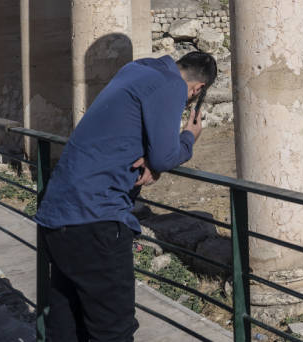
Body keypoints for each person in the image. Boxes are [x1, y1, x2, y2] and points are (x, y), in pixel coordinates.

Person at [35, 51, 216, 342]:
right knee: (113, 330)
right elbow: (165, 154)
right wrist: (188, 137)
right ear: (197, 90)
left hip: (57, 215)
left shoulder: (137, 70)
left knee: (66, 322)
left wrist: (150, 159)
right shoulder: (172, 85)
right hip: (95, 220)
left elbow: (130, 133)